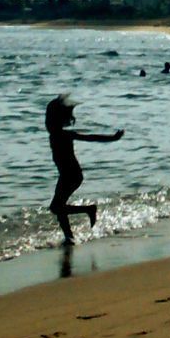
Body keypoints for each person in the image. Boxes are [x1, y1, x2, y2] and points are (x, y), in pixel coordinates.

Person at [44, 94, 123, 244]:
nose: (46, 123)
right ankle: (69, 237)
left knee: (56, 207)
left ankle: (88, 210)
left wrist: (112, 138)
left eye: (48, 119)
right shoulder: (55, 135)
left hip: (72, 175)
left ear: (55, 121)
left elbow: (91, 137)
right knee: (59, 207)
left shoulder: (63, 135)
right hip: (66, 175)